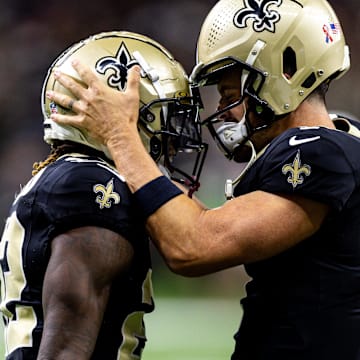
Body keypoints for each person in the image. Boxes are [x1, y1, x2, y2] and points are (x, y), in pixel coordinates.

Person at [46, 0, 360, 359]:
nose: (223, 111)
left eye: (229, 93)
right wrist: (142, 164)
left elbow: (193, 246)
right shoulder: (337, 143)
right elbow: (190, 219)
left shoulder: (320, 150)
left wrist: (121, 137)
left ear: (285, 69)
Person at [0, 30, 206, 359]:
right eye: (165, 118)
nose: (173, 143)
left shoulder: (68, 176)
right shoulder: (92, 186)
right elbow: (67, 348)